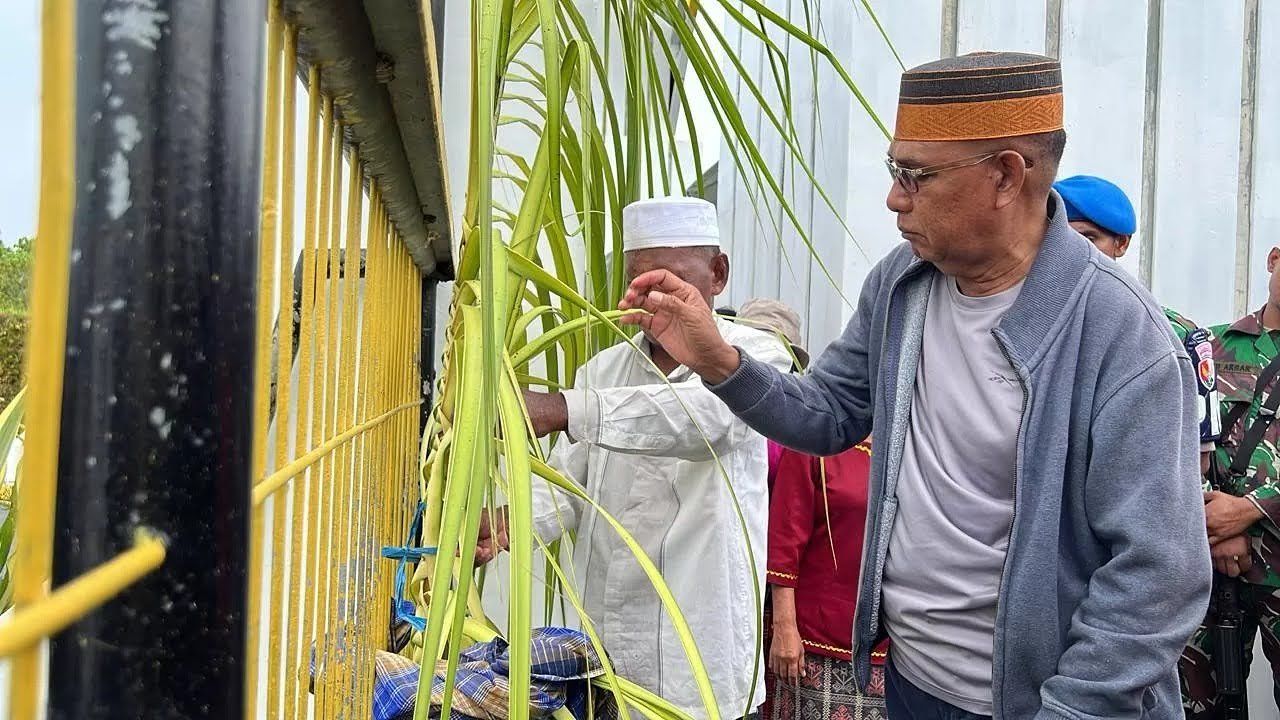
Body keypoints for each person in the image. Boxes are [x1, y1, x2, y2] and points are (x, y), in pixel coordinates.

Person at [617, 51, 1210, 719]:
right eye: (894, 171)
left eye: (916, 174)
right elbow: (830, 414)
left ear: (1006, 176)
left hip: (1047, 703)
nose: (895, 197)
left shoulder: (1120, 336)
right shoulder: (903, 284)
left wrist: (1072, 709)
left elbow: (1160, 575)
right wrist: (717, 359)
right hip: (914, 684)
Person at [477, 197, 792, 720]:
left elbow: (697, 420)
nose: (651, 298)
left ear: (718, 274)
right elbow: (570, 482)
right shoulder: (603, 372)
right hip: (613, 640)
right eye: (638, 282)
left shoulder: (757, 356)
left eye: (669, 281)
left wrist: (561, 409)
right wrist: (511, 522)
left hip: (703, 647)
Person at [735, 299, 887, 720]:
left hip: (891, 648)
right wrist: (784, 627)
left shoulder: (907, 446)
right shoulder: (816, 442)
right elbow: (785, 539)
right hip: (816, 645)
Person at [1181, 246, 1280, 718]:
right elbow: (1177, 441)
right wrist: (1212, 520)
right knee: (1204, 703)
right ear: (1273, 259)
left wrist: (1249, 511)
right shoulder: (1211, 349)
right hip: (1213, 572)